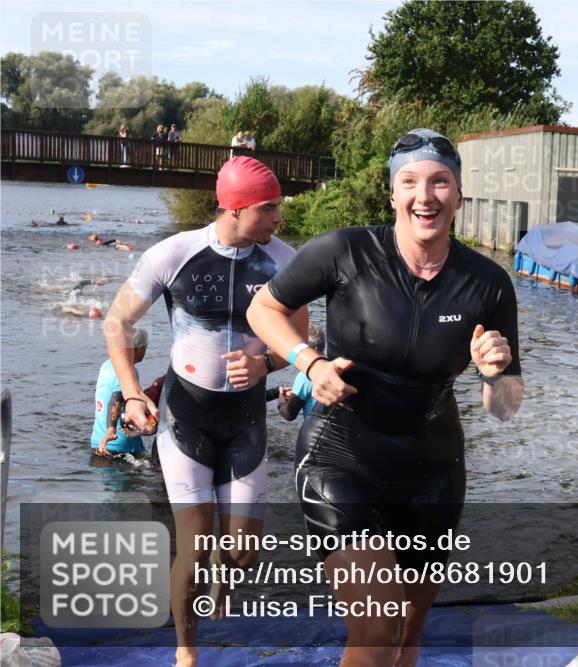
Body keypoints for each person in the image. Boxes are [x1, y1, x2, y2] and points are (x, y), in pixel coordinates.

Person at [247, 128, 523, 667]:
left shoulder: (487, 283)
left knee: (406, 639)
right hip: (340, 453)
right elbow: (263, 309)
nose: (426, 196)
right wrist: (310, 361)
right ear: (392, 194)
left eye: (441, 182)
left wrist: (494, 376)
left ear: (460, 194)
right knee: (375, 628)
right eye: (411, 182)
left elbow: (507, 406)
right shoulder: (344, 251)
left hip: (433, 469)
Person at [102, 156, 306, 667]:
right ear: (236, 207)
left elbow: (300, 342)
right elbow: (117, 321)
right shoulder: (174, 254)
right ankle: (186, 652)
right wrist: (131, 392)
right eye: (270, 207)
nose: (279, 216)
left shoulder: (287, 262)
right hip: (185, 415)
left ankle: (225, 572)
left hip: (244, 421)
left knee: (241, 554)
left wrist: (267, 366)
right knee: (192, 547)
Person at [91, 327, 158, 456]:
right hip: (120, 443)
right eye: (145, 347)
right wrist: (111, 431)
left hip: (98, 440)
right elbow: (116, 397)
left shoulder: (107, 365)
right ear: (138, 348)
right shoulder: (128, 372)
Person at [275, 325, 325, 422]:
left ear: (306, 350)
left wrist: (281, 401)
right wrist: (296, 392)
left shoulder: (306, 375)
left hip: (316, 432)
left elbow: (289, 415)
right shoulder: (330, 367)